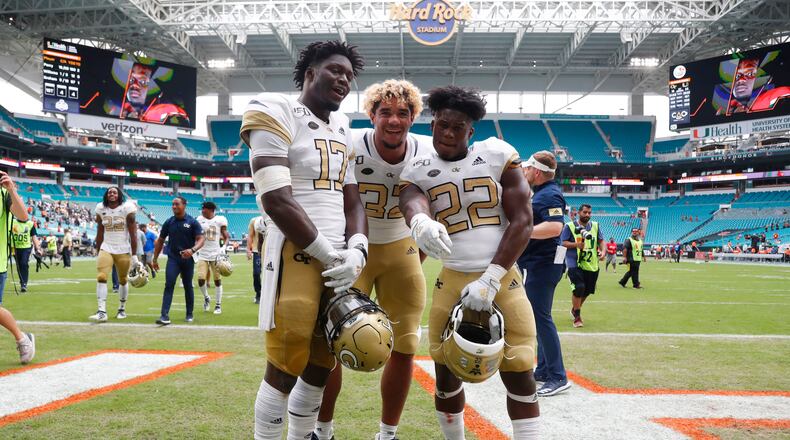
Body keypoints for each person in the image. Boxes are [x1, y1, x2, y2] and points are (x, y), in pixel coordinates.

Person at [239, 40, 366, 440]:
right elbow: (275, 197)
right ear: (310, 72)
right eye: (335, 70)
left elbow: (352, 197)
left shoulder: (343, 127)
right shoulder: (275, 109)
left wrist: (358, 248)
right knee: (286, 357)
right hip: (296, 251)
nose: (344, 79)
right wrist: (329, 253)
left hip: (339, 258)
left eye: (349, 75)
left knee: (324, 358)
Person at [399, 85, 539, 439]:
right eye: (442, 124)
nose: (447, 133)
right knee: (444, 368)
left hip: (502, 277)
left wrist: (490, 278)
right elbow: (411, 199)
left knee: (519, 364)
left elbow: (523, 221)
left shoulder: (497, 154)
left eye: (457, 127)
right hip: (453, 277)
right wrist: (420, 221)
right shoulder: (417, 166)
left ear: (470, 132)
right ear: (432, 124)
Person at [314, 79, 431, 440]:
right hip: (353, 250)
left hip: (400, 250)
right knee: (330, 343)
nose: (394, 120)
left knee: (406, 344)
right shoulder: (350, 142)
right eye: (385, 112)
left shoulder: (427, 150)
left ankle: (387, 434)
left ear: (414, 116)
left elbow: (438, 201)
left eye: (402, 112)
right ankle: (323, 429)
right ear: (372, 115)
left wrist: (416, 253)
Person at [517, 150, 570, 396]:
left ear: (537, 171)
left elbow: (554, 227)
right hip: (541, 262)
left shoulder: (549, 194)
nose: (525, 171)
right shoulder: (544, 193)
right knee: (539, 317)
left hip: (544, 263)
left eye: (528, 168)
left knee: (541, 318)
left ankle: (558, 376)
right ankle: (545, 368)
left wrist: (523, 232)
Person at [0, 171, 36, 364]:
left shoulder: (3, 194)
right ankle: (23, 338)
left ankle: (22, 339)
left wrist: (11, 189)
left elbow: (23, 216)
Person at [151, 197, 204, 325]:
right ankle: (164, 315)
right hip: (173, 258)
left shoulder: (192, 222)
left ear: (184, 205)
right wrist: (155, 258)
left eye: (177, 204)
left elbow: (201, 239)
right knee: (169, 284)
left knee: (187, 286)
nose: (174, 206)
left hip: (188, 259)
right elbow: (160, 241)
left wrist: (192, 250)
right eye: (173, 204)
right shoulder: (169, 222)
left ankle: (189, 313)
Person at [91, 186, 138, 322]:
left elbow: (133, 233)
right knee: (101, 276)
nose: (112, 194)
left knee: (123, 280)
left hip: (123, 248)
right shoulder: (100, 208)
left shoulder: (127, 208)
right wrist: (99, 250)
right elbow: (100, 231)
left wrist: (134, 255)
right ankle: (101, 311)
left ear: (119, 195)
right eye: (109, 192)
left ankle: (121, 309)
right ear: (106, 195)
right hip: (106, 247)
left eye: (115, 192)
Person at [561, 204, 604, 328]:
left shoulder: (595, 225)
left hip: (591, 263)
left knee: (587, 290)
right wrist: (576, 245)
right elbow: (562, 243)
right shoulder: (569, 226)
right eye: (585, 212)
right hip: (573, 262)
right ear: (578, 213)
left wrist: (603, 251)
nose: (587, 215)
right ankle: (577, 317)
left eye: (589, 213)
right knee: (579, 287)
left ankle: (575, 309)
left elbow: (601, 240)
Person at [196, 201, 229, 315]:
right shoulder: (199, 219)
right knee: (200, 279)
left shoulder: (220, 219)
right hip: (203, 253)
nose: (202, 210)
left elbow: (226, 236)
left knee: (217, 280)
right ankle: (206, 298)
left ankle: (218, 304)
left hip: (215, 254)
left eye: (204, 208)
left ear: (210, 210)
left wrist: (224, 247)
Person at [11, 215, 41, 292]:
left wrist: (38, 249)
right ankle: (22, 282)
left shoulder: (30, 224)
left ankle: (24, 284)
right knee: (19, 266)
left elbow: (34, 237)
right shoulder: (12, 222)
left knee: (24, 263)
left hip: (26, 248)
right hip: (15, 248)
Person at [246, 215, 266, 304]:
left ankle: (268, 295)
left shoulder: (272, 218)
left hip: (270, 251)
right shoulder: (254, 220)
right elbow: (250, 235)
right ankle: (258, 294)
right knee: (256, 273)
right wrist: (248, 250)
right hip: (256, 251)